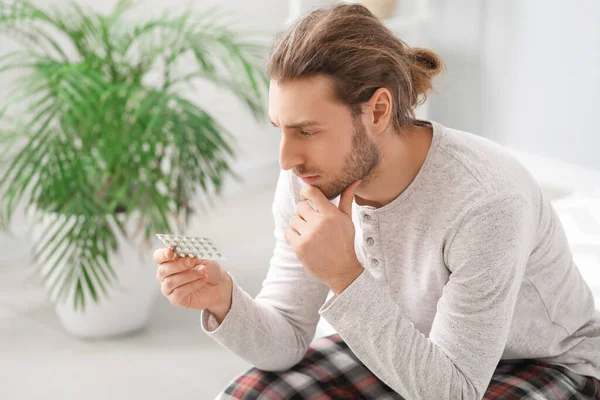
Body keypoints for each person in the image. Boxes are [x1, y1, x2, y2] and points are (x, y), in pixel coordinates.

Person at [153, 3, 600, 399]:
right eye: (281, 129)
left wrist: (344, 273)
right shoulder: (307, 177)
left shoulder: (487, 201)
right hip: (411, 344)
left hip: (542, 363)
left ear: (378, 110)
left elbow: (454, 391)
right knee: (246, 395)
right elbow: (287, 338)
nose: (286, 159)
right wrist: (223, 299)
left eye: (307, 131)